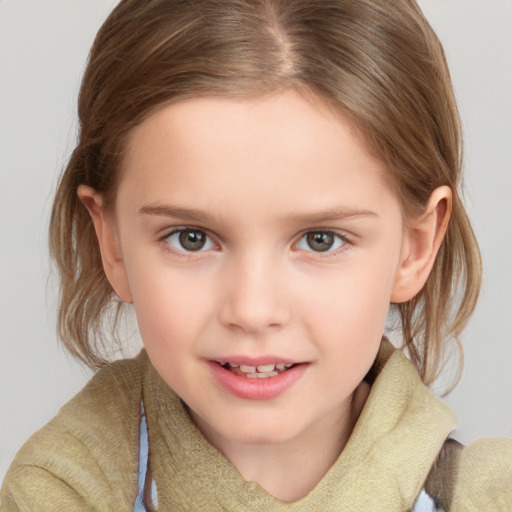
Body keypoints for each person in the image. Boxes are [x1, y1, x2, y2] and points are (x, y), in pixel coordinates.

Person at [2, 0, 511, 510]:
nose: (252, 309)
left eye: (320, 240)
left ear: (414, 248)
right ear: (111, 240)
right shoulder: (60, 491)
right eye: (191, 238)